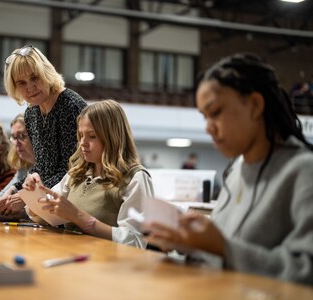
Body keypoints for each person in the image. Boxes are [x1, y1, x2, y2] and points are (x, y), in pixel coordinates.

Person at [145, 53, 313, 285]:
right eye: (204, 117)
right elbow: (220, 255)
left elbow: (306, 274)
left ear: (255, 105)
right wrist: (187, 245)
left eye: (215, 113)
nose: (208, 128)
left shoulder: (304, 171)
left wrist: (223, 247)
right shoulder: (237, 169)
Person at [23, 100, 154, 249]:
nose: (83, 143)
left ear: (112, 138)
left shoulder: (135, 178)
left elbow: (135, 242)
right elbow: (44, 218)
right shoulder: (77, 173)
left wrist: (77, 216)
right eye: (81, 135)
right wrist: (34, 194)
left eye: (92, 136)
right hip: (71, 257)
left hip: (106, 266)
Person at [0, 45, 87, 215]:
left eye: (34, 78)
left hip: (75, 207)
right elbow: (42, 168)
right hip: (48, 208)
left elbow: (73, 170)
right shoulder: (31, 113)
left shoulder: (70, 105)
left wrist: (26, 197)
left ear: (46, 72)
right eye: (21, 83)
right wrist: (15, 189)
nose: (30, 88)